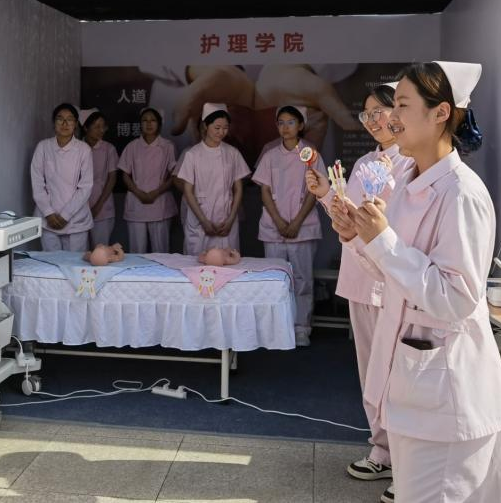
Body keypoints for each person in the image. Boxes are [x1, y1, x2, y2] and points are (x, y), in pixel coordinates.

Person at [329, 62, 501, 503]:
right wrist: (359, 239)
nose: (391, 119)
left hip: (446, 395)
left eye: (403, 106)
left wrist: (383, 241)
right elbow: (394, 276)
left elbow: (456, 297)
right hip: (411, 386)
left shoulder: (462, 193)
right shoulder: (410, 182)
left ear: (440, 113)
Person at [306, 82, 414, 485]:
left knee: (397, 373)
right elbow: (348, 217)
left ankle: (406, 461)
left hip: (390, 280)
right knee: (370, 373)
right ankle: (382, 450)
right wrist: (324, 195)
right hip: (358, 277)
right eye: (366, 114)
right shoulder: (367, 161)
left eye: (379, 112)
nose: (372, 121)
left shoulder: (410, 163)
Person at [253, 106, 326, 347]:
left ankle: (301, 327)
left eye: (291, 122)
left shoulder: (311, 154)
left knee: (302, 279)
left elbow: (315, 191)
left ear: (301, 125)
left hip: (302, 227)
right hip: (273, 227)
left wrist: (296, 222)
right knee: (274, 279)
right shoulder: (270, 155)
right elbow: (264, 191)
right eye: (281, 123)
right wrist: (279, 221)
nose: (285, 128)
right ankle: (274, 328)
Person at [175, 103, 250, 256]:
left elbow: (238, 189)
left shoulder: (232, 153)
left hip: (226, 218)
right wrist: (203, 221)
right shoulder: (192, 154)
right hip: (200, 218)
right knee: (197, 263)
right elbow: (188, 191)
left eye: (225, 128)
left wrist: (231, 219)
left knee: (227, 261)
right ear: (205, 126)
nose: (221, 132)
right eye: (217, 127)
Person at [30, 103, 94, 251]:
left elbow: (85, 187)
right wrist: (48, 213)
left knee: (74, 263)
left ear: (75, 124)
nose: (65, 124)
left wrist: (66, 215)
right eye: (60, 119)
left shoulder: (84, 150)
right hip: (48, 219)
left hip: (76, 220)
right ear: (54, 123)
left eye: (70, 119)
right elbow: (37, 182)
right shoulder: (43, 147)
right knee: (51, 262)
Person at [118, 107, 177, 253]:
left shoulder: (167, 146)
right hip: (137, 204)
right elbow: (125, 174)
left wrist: (155, 193)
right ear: (140, 124)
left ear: (159, 124)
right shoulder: (132, 147)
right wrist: (139, 193)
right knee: (137, 251)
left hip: (159, 204)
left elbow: (173, 176)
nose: (149, 124)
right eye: (145, 120)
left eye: (153, 120)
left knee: (161, 251)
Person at [80, 108, 119, 248]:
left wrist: (98, 206)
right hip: (78, 208)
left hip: (103, 207)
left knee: (100, 251)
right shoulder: (77, 148)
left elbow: (112, 178)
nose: (101, 130)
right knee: (78, 252)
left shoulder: (109, 149)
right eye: (96, 126)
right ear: (86, 128)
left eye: (103, 126)